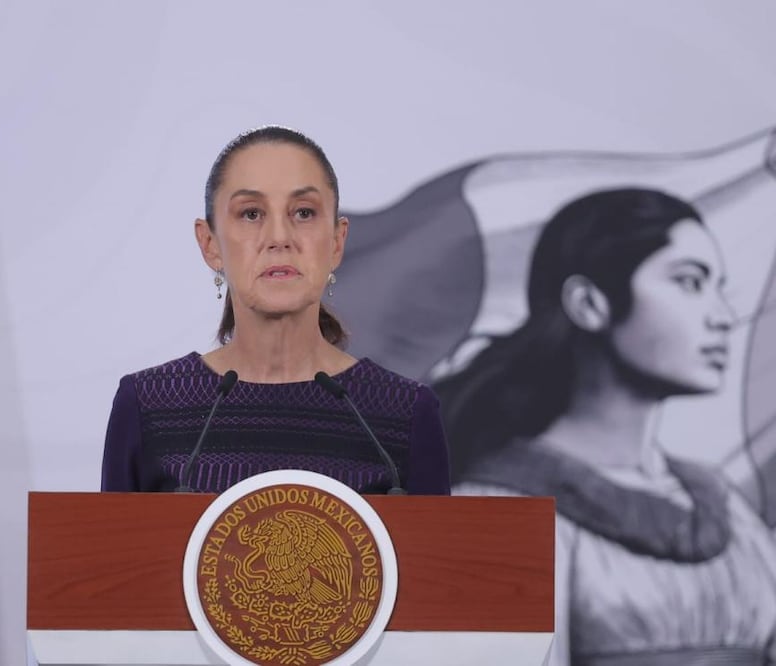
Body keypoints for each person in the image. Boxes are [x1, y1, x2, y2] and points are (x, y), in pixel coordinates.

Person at [433, 188, 776, 665]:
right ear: (589, 303)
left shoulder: (724, 506)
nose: (723, 316)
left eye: (719, 287)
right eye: (690, 282)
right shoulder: (488, 515)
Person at [100, 126, 451, 495]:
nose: (279, 237)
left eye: (303, 212)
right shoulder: (149, 406)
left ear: (336, 242)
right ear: (210, 244)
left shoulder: (404, 413)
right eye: (251, 214)